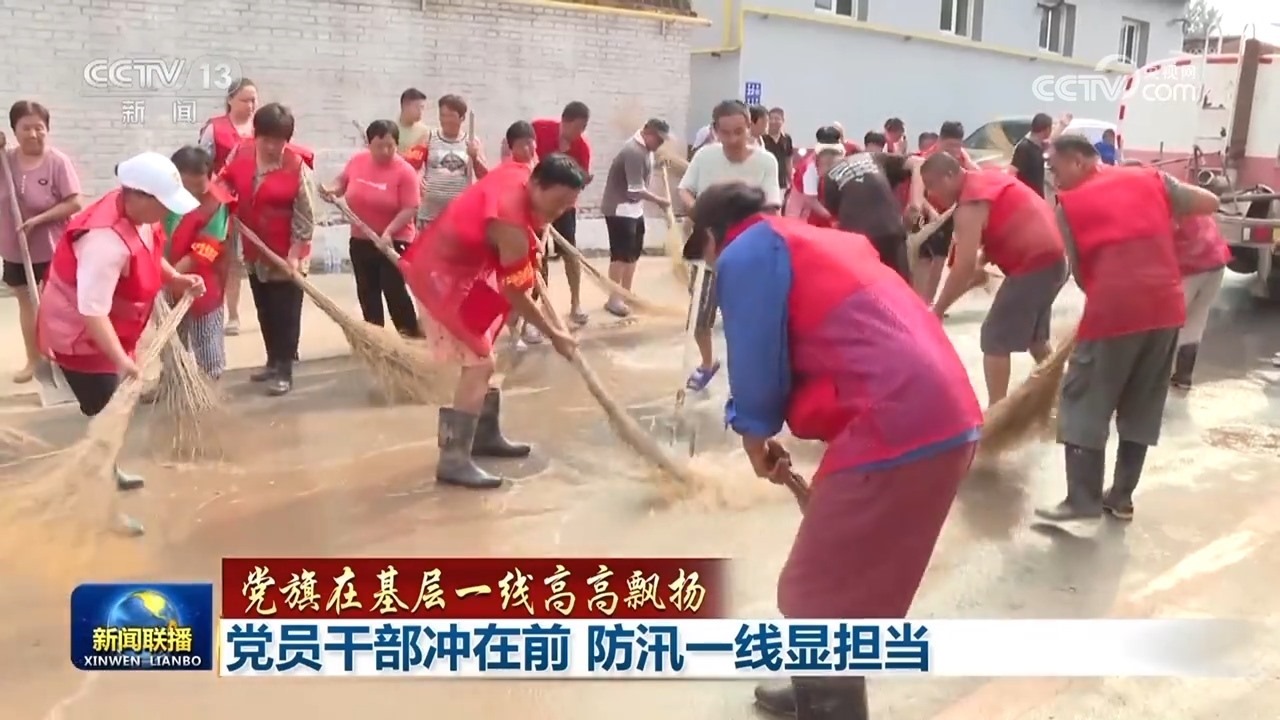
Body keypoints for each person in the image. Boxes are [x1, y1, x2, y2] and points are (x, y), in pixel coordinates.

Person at [689, 181, 982, 720]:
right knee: (845, 582)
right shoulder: (815, 239)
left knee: (816, 597)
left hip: (896, 423)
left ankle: (830, 706)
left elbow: (755, 363)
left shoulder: (747, 251)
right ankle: (817, 689)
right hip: (943, 414)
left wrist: (753, 435)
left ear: (711, 235)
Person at [1037, 135, 1219, 523]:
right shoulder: (1151, 179)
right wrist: (1164, 220)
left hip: (1115, 310)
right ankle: (1121, 498)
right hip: (1166, 307)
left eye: (1055, 167)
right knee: (1143, 401)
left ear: (1078, 162)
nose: (1053, 177)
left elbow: (1081, 273)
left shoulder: (1069, 204)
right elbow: (1209, 202)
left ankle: (1082, 500)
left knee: (1083, 398)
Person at [36, 152, 205, 534]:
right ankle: (106, 510)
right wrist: (122, 361)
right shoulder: (103, 242)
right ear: (138, 196)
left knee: (114, 412)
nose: (168, 213)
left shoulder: (140, 216)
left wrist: (177, 279)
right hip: (83, 339)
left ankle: (111, 471)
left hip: (110, 332)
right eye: (163, 203)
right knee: (104, 419)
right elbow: (92, 312)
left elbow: (151, 254)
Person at [398, 155, 584, 489]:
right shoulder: (509, 224)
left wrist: (535, 241)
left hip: (470, 270)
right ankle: (453, 460)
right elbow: (514, 292)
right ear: (536, 185)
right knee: (480, 363)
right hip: (441, 275)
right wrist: (555, 333)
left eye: (566, 206)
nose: (558, 212)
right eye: (556, 202)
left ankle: (484, 436)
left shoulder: (522, 172)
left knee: (485, 346)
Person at [921, 152, 1069, 406]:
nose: (931, 194)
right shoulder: (988, 179)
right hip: (1055, 262)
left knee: (993, 338)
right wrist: (979, 268)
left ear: (950, 175)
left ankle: (996, 411)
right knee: (1036, 340)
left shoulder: (970, 204)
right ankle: (1063, 396)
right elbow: (1011, 224)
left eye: (932, 185)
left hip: (1033, 266)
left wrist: (938, 309)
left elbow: (963, 267)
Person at [677, 99, 782, 393]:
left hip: (747, 255)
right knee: (700, 318)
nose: (733, 139)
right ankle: (707, 363)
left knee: (745, 320)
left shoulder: (766, 162)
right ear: (714, 130)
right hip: (706, 252)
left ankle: (748, 371)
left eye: (739, 131)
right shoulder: (705, 156)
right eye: (725, 132)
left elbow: (772, 207)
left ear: (750, 127)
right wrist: (698, 211)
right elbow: (684, 189)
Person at [219, 102, 316, 397]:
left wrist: (294, 256)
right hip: (254, 249)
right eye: (267, 140)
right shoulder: (241, 153)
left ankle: (284, 370)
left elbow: (305, 217)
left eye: (280, 141)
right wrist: (226, 205)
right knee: (264, 309)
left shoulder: (297, 167)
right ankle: (272, 362)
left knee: (285, 313)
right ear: (256, 135)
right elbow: (223, 181)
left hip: (286, 252)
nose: (273, 147)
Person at [1, 100, 83, 385]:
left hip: (52, 248)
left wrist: (39, 219)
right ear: (14, 130)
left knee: (56, 308)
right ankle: (33, 361)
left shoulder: (57, 162)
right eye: (26, 128)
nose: (33, 134)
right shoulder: (5, 160)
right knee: (27, 305)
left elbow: (75, 203)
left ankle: (63, 361)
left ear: (47, 129)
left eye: (39, 128)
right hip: (15, 248)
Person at [320, 120, 421, 337]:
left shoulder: (405, 172)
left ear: (397, 145)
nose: (385, 151)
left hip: (394, 241)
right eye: (379, 146)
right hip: (361, 237)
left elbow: (410, 208)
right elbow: (342, 182)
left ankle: (410, 335)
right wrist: (331, 190)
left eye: (390, 146)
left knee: (393, 289)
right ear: (369, 144)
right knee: (367, 290)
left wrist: (389, 232)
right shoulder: (358, 161)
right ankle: (375, 337)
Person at [160, 146, 233, 380]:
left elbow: (206, 248)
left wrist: (171, 276)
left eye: (197, 187)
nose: (190, 194)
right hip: (166, 276)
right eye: (185, 186)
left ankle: (210, 384)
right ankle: (173, 383)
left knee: (206, 336)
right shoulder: (162, 198)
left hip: (202, 281)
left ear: (209, 177)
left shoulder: (216, 203)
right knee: (171, 339)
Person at [200, 78, 257, 337]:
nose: (251, 105)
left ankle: (244, 311)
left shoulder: (260, 128)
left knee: (246, 262)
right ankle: (226, 313)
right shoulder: (215, 128)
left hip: (254, 203)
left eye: (254, 100)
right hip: (222, 205)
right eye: (245, 100)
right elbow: (202, 166)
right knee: (225, 259)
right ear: (230, 100)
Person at [600, 118, 671, 318]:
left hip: (634, 209)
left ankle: (626, 293)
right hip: (620, 209)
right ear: (647, 132)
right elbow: (635, 190)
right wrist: (660, 201)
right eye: (658, 139)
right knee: (620, 256)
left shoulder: (647, 150)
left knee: (633, 253)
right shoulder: (633, 152)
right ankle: (614, 299)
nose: (660, 144)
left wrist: (658, 163)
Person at [820, 149, 927, 280]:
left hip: (858, 241)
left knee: (866, 287)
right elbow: (919, 163)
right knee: (899, 285)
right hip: (890, 229)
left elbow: (835, 215)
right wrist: (916, 202)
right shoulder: (873, 157)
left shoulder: (829, 176)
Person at [532, 101, 592, 328]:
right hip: (537, 206)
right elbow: (516, 145)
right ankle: (541, 306)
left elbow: (581, 181)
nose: (580, 133)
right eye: (577, 127)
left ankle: (576, 303)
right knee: (539, 255)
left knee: (571, 253)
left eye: (583, 128)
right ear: (564, 121)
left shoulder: (582, 148)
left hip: (564, 208)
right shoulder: (539, 129)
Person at [1168, 191, 1230, 390]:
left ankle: (1152, 378)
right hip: (1216, 262)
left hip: (1191, 266)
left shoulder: (1163, 207)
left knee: (1166, 322)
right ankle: (1183, 376)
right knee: (1196, 319)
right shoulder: (1191, 199)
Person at [413, 94, 488, 231]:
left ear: (462, 118)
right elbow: (412, 166)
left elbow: (485, 177)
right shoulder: (429, 137)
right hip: (429, 215)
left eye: (451, 116)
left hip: (458, 217)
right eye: (443, 115)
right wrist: (418, 181)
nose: (445, 120)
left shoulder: (472, 141)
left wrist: (475, 157)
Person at [784, 137, 844, 228]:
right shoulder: (810, 169)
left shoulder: (836, 165)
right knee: (795, 224)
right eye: (830, 164)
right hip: (801, 202)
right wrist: (831, 218)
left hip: (816, 204)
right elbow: (811, 200)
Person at [1010, 113, 1054, 197]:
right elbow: (1012, 172)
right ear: (1047, 129)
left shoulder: (1039, 146)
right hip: (1027, 197)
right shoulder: (1024, 147)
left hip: (1037, 196)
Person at [762, 107, 793, 197]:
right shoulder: (762, 138)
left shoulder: (787, 139)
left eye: (777, 119)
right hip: (764, 181)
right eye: (771, 119)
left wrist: (790, 179)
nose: (773, 121)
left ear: (783, 121)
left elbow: (788, 160)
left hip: (781, 182)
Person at [396, 87, 431, 156]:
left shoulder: (424, 132)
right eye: (417, 107)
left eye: (422, 108)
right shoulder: (391, 130)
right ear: (405, 105)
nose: (420, 112)